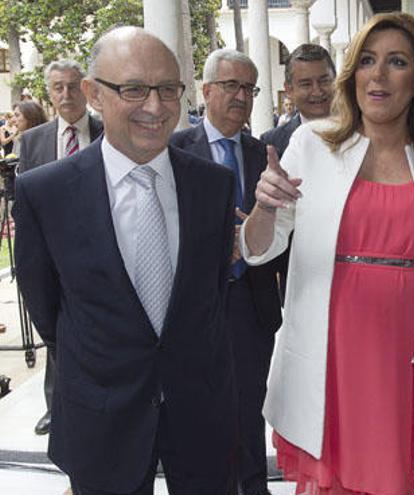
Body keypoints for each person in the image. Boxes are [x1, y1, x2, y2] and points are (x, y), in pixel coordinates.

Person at [242, 12, 414, 495]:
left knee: (391, 478)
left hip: (406, 353)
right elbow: (259, 252)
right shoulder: (312, 143)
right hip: (330, 349)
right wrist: (264, 207)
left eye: (397, 62)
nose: (379, 74)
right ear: (353, 74)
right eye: (367, 60)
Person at [14, 27, 238, 494]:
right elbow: (48, 309)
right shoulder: (45, 193)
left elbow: (210, 296)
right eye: (133, 89)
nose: (155, 107)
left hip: (200, 411)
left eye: (168, 89)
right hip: (101, 415)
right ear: (94, 93)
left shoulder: (212, 185)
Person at [169, 48, 284, 495]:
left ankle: (254, 488)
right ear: (207, 90)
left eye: (248, 88)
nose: (240, 96)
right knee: (197, 411)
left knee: (247, 408)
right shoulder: (175, 152)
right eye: (231, 85)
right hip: (193, 308)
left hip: (250, 307)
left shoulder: (265, 155)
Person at [14, 59, 103, 438]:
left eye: (71, 86)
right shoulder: (33, 140)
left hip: (100, 248)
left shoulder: (107, 131)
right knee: (55, 330)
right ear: (49, 92)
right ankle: (57, 407)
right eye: (57, 88)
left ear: (85, 88)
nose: (65, 95)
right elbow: (24, 199)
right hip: (51, 253)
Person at [260, 43, 334, 159]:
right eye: (306, 84)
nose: (317, 91)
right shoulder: (272, 142)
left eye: (324, 81)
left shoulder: (361, 131)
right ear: (289, 90)